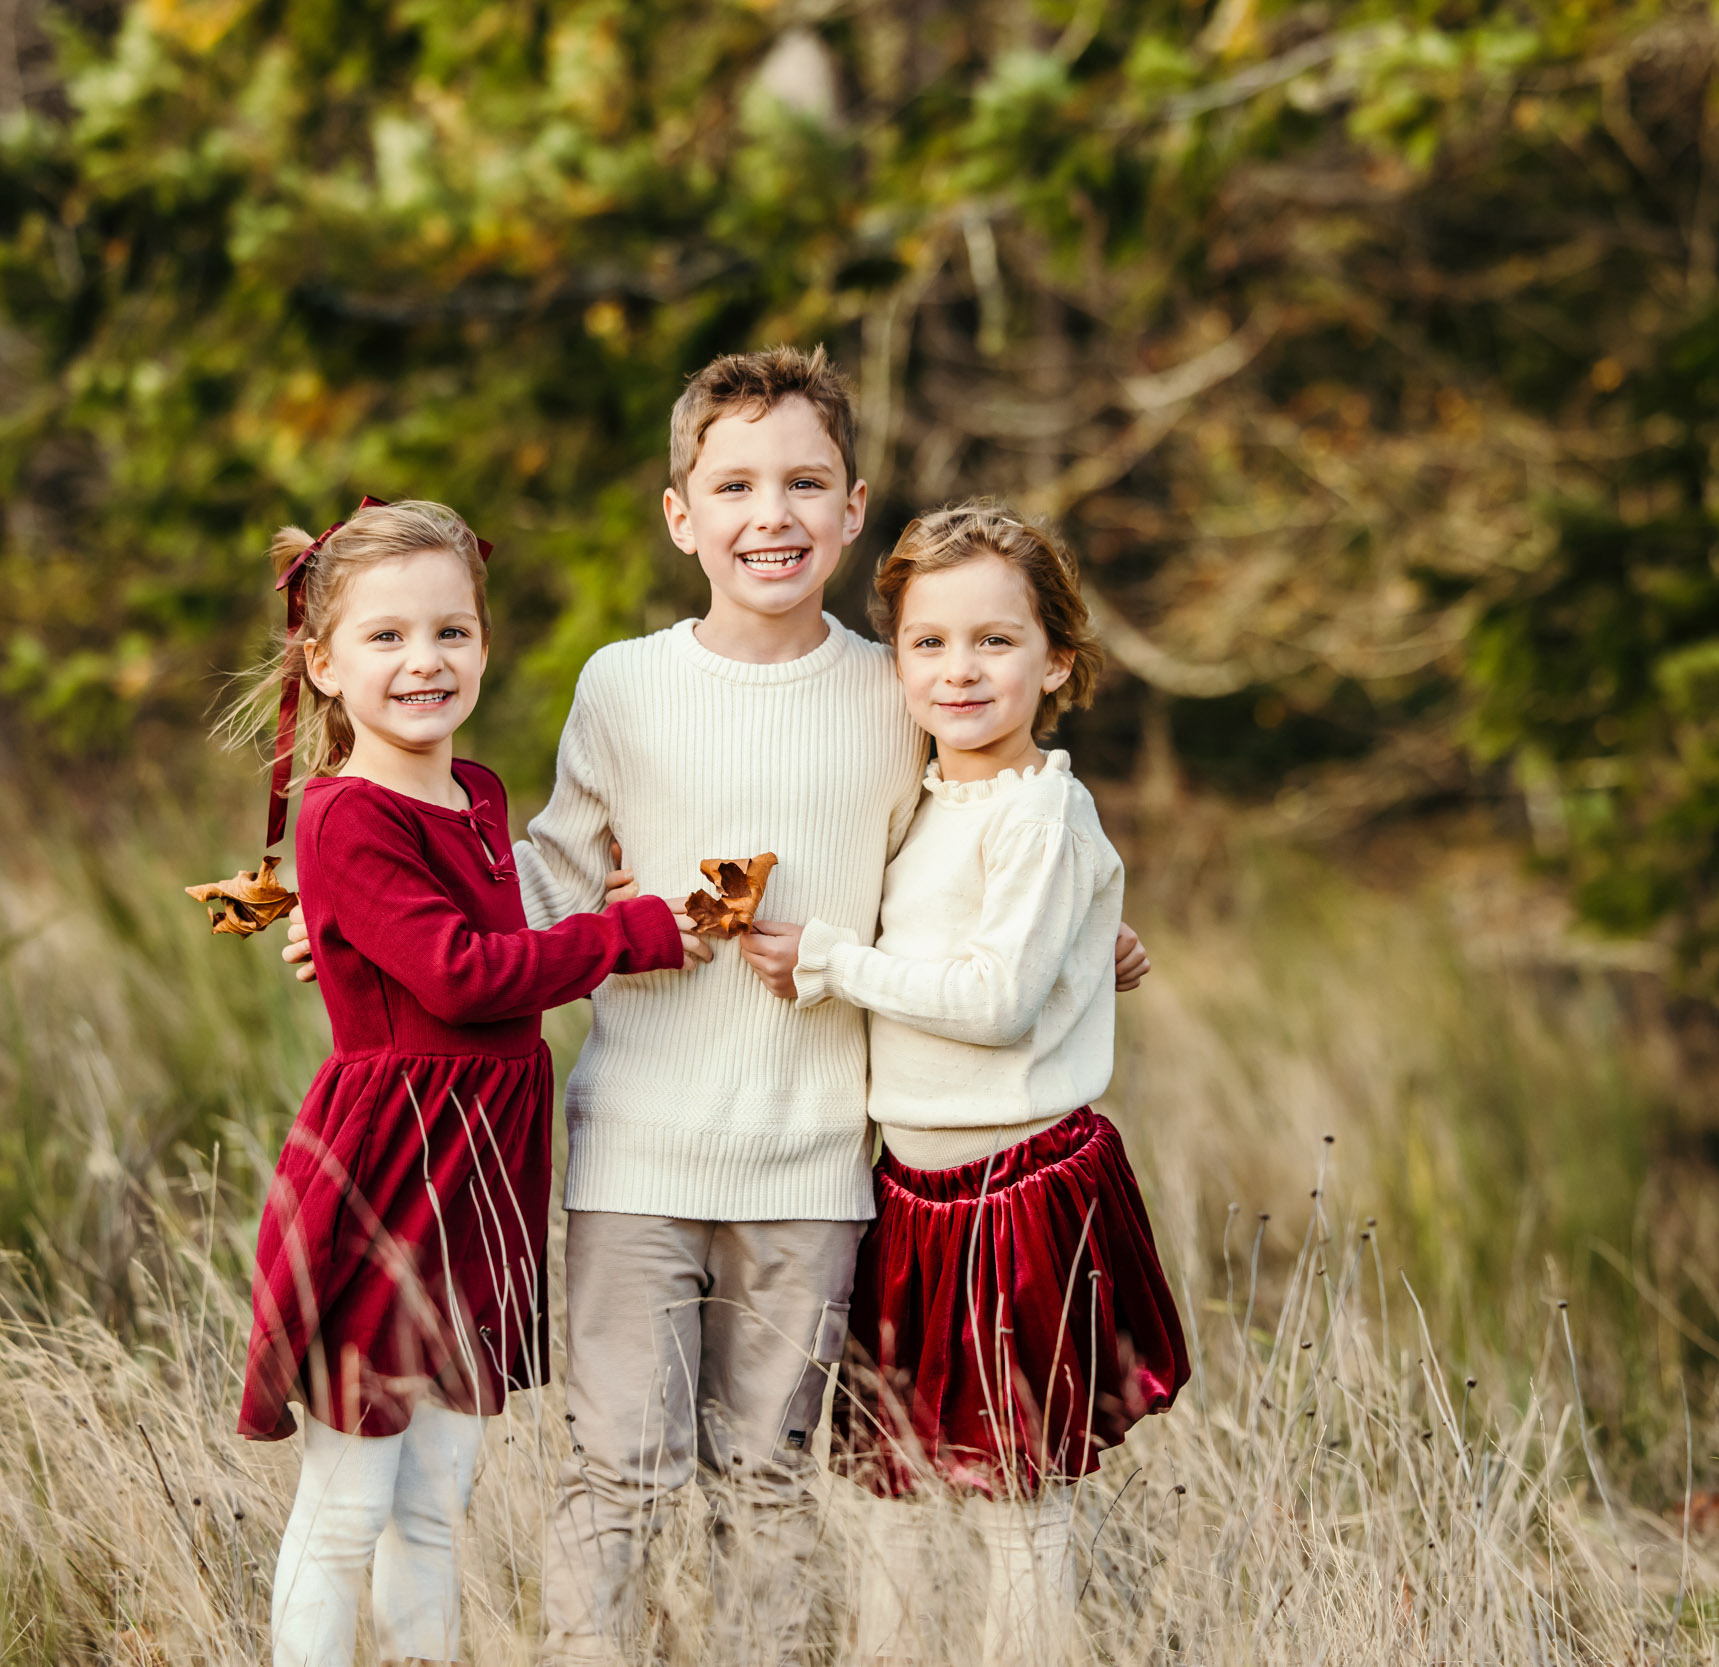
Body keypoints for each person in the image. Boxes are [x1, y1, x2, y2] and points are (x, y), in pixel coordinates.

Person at [282, 349, 1148, 1663]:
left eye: (805, 482)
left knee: (768, 1482)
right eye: (735, 484)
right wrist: (358, 914)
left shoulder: (894, 689)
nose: (772, 514)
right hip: (636, 1147)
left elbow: (956, 864)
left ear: (853, 507)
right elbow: (550, 875)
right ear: (682, 513)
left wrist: (1092, 928)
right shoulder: (624, 683)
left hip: (815, 1164)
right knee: (619, 1474)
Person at [226, 497, 693, 1667]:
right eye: (384, 638)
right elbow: (459, 973)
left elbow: (498, 915)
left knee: (436, 1497)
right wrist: (627, 933)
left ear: (485, 642)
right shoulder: (341, 814)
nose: (423, 660)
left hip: (480, 1169)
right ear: (322, 663)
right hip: (391, 1168)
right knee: (347, 1507)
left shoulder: (478, 793)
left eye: (450, 631)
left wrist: (600, 901)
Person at [777, 504, 1190, 1665]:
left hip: (1017, 1190)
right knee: (890, 1490)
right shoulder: (913, 791)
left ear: (1057, 657)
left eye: (995, 642)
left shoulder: (1042, 809)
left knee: (1018, 1497)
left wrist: (827, 961)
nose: (959, 669)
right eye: (928, 642)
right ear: (894, 657)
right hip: (909, 1191)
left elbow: (996, 997)